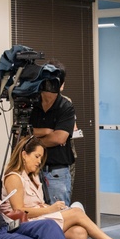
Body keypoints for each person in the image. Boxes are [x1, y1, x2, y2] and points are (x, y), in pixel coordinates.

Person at [29, 72, 76, 205]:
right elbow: (20, 134)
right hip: (32, 170)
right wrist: (46, 131)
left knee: (59, 214)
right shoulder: (32, 104)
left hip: (56, 171)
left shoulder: (65, 106)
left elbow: (59, 138)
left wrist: (32, 140)